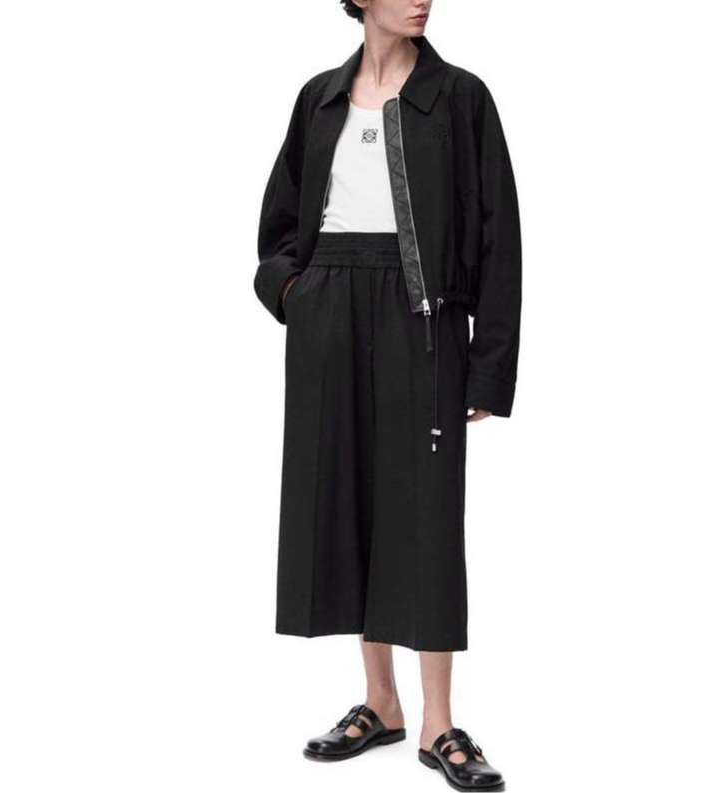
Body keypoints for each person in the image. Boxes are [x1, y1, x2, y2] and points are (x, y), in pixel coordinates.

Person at [254, 2, 521, 790]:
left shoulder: (460, 97)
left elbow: (499, 236)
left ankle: (439, 723)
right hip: (329, 312)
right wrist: (295, 293)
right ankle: (381, 700)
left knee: (425, 511)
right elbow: (278, 223)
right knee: (346, 500)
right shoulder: (319, 97)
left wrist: (487, 365)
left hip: (423, 320)